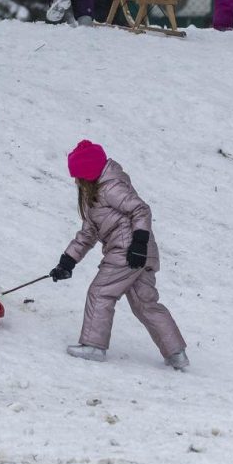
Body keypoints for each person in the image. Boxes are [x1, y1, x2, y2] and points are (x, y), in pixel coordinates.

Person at [49, 140, 189, 370]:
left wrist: (139, 244)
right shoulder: (94, 196)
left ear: (88, 172)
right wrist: (67, 262)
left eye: (78, 176)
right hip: (137, 253)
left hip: (128, 249)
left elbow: (140, 209)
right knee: (145, 303)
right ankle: (176, 353)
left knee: (101, 292)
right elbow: (88, 233)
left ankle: (94, 346)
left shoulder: (111, 187)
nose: (76, 181)